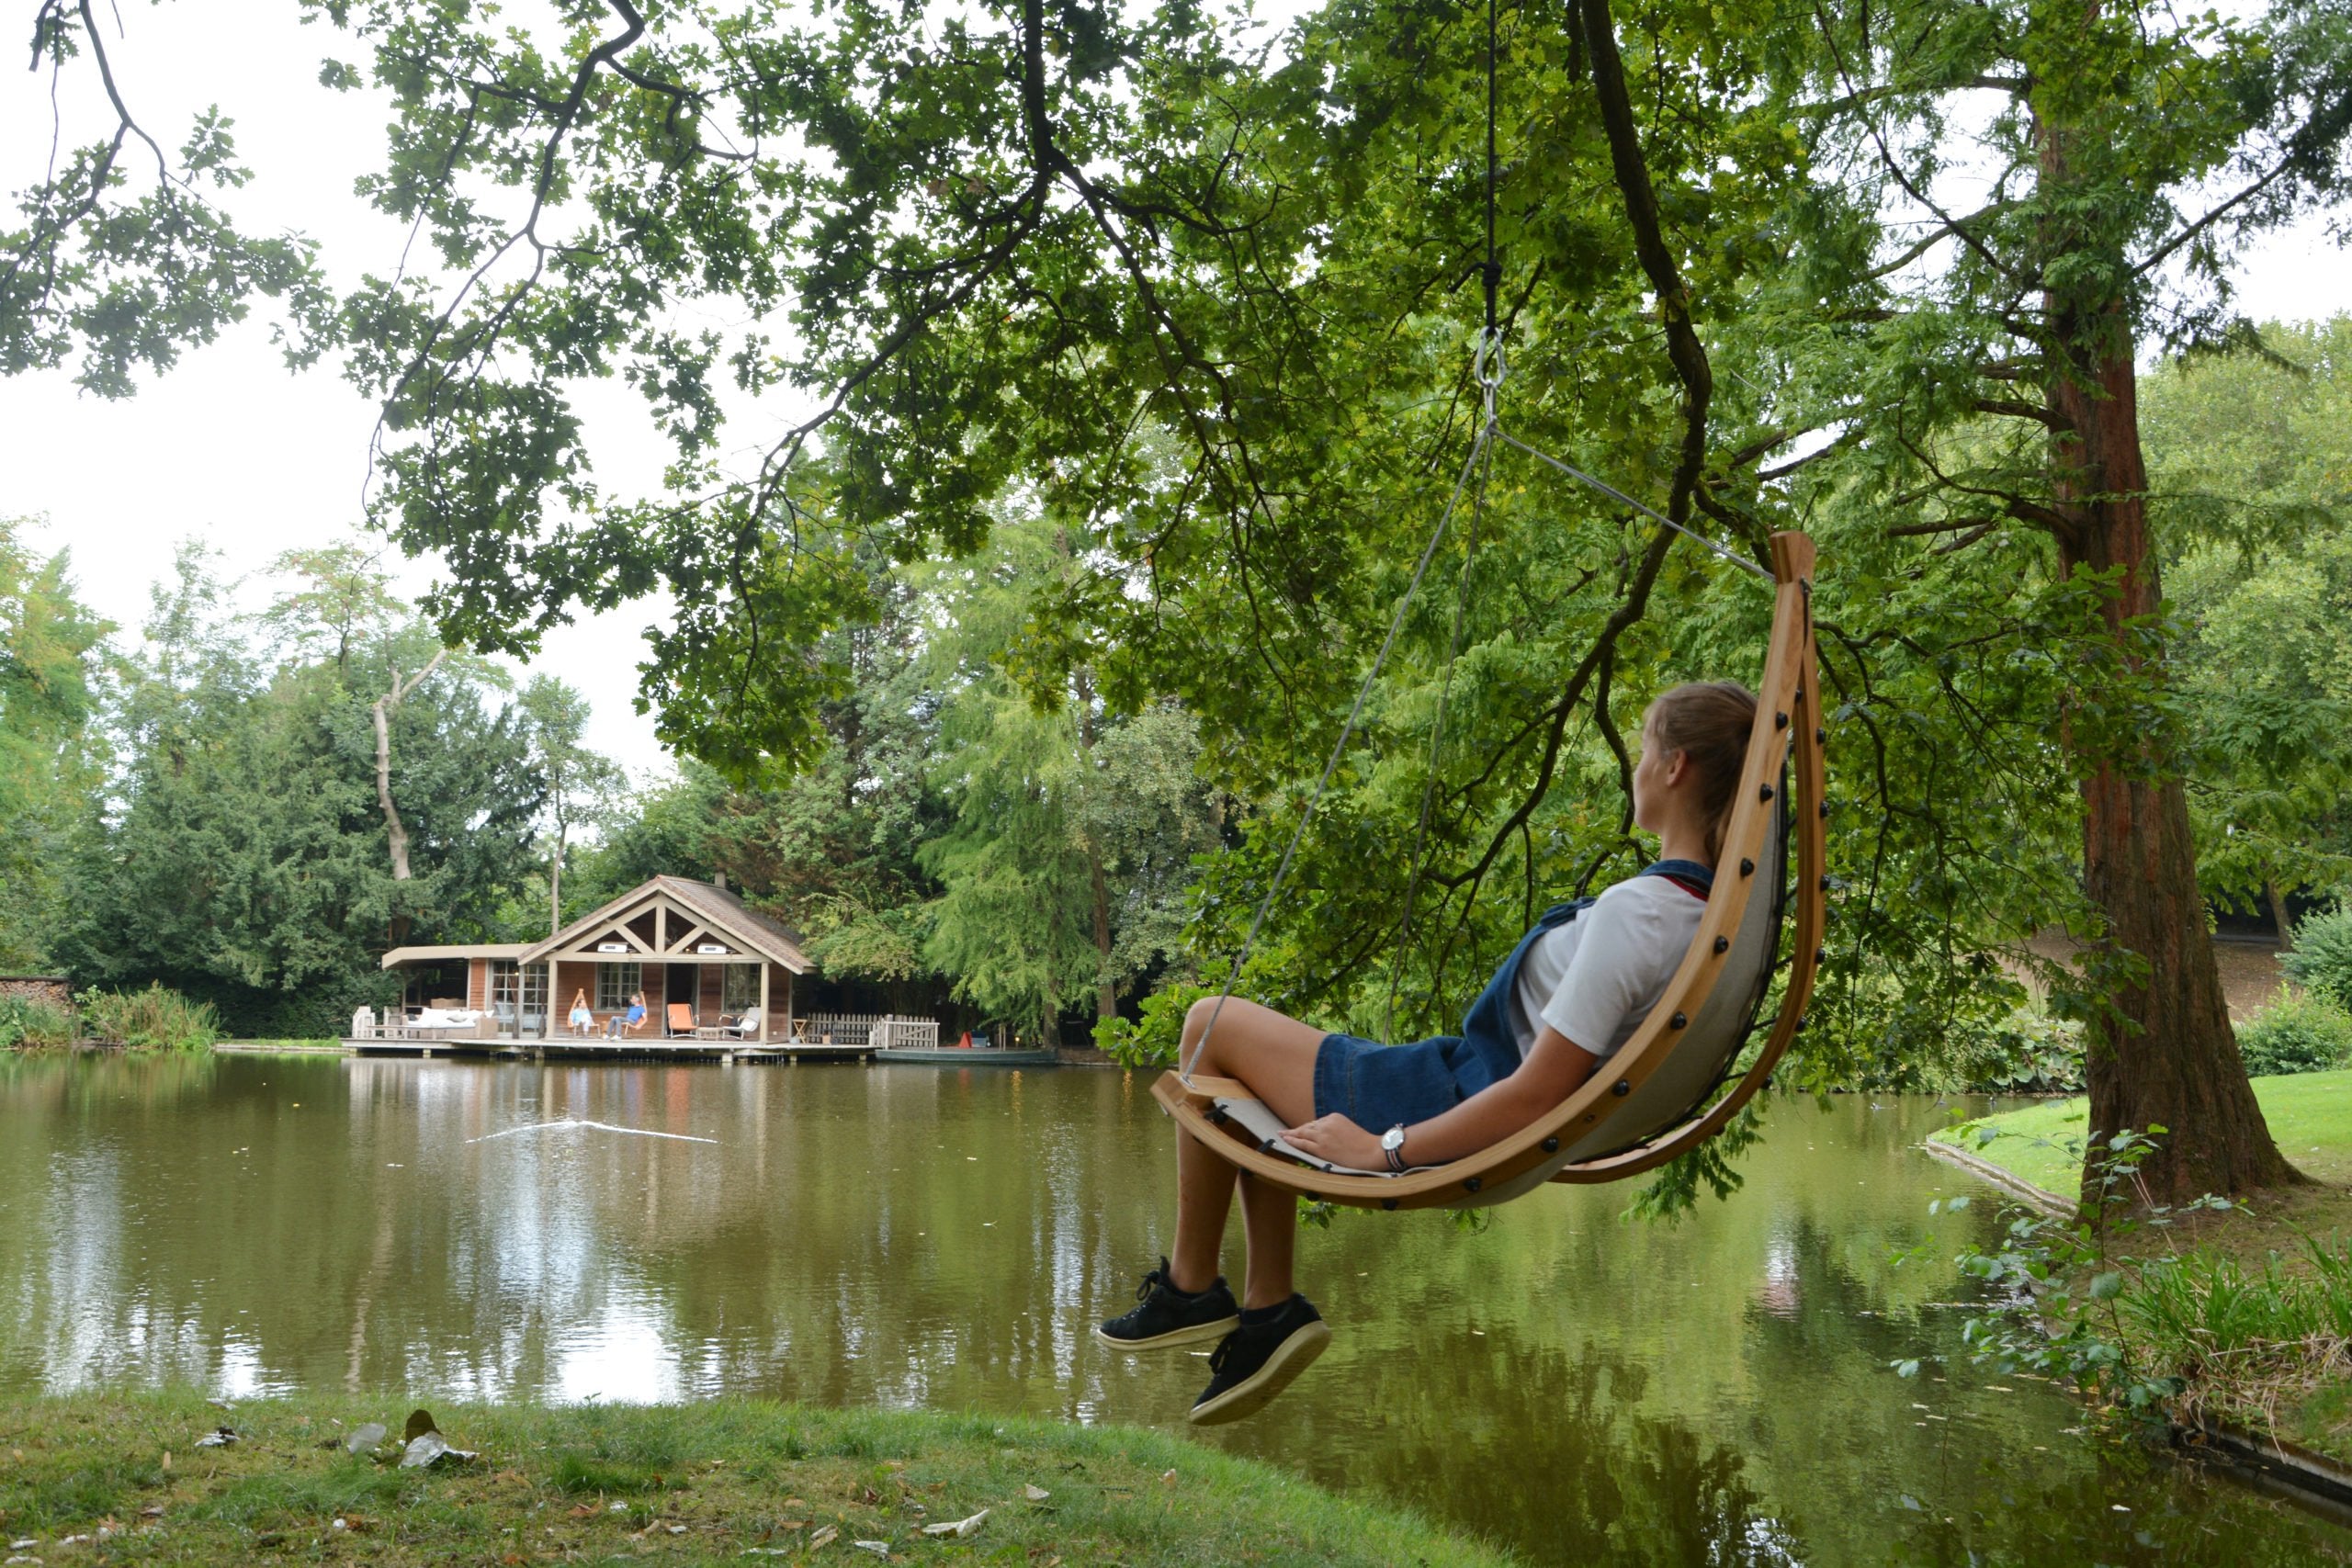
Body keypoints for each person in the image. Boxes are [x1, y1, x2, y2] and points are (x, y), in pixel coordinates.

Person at [1094, 681, 1756, 1426]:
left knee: (1207, 1027)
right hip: (1450, 1080)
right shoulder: (1690, 915)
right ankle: (1261, 1304)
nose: (1633, 767)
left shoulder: (1640, 916)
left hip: (1442, 1100)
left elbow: (1538, 1094)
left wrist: (1386, 1149)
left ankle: (1201, 1288)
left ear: (1675, 767)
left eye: (1642, 748)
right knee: (1231, 1057)